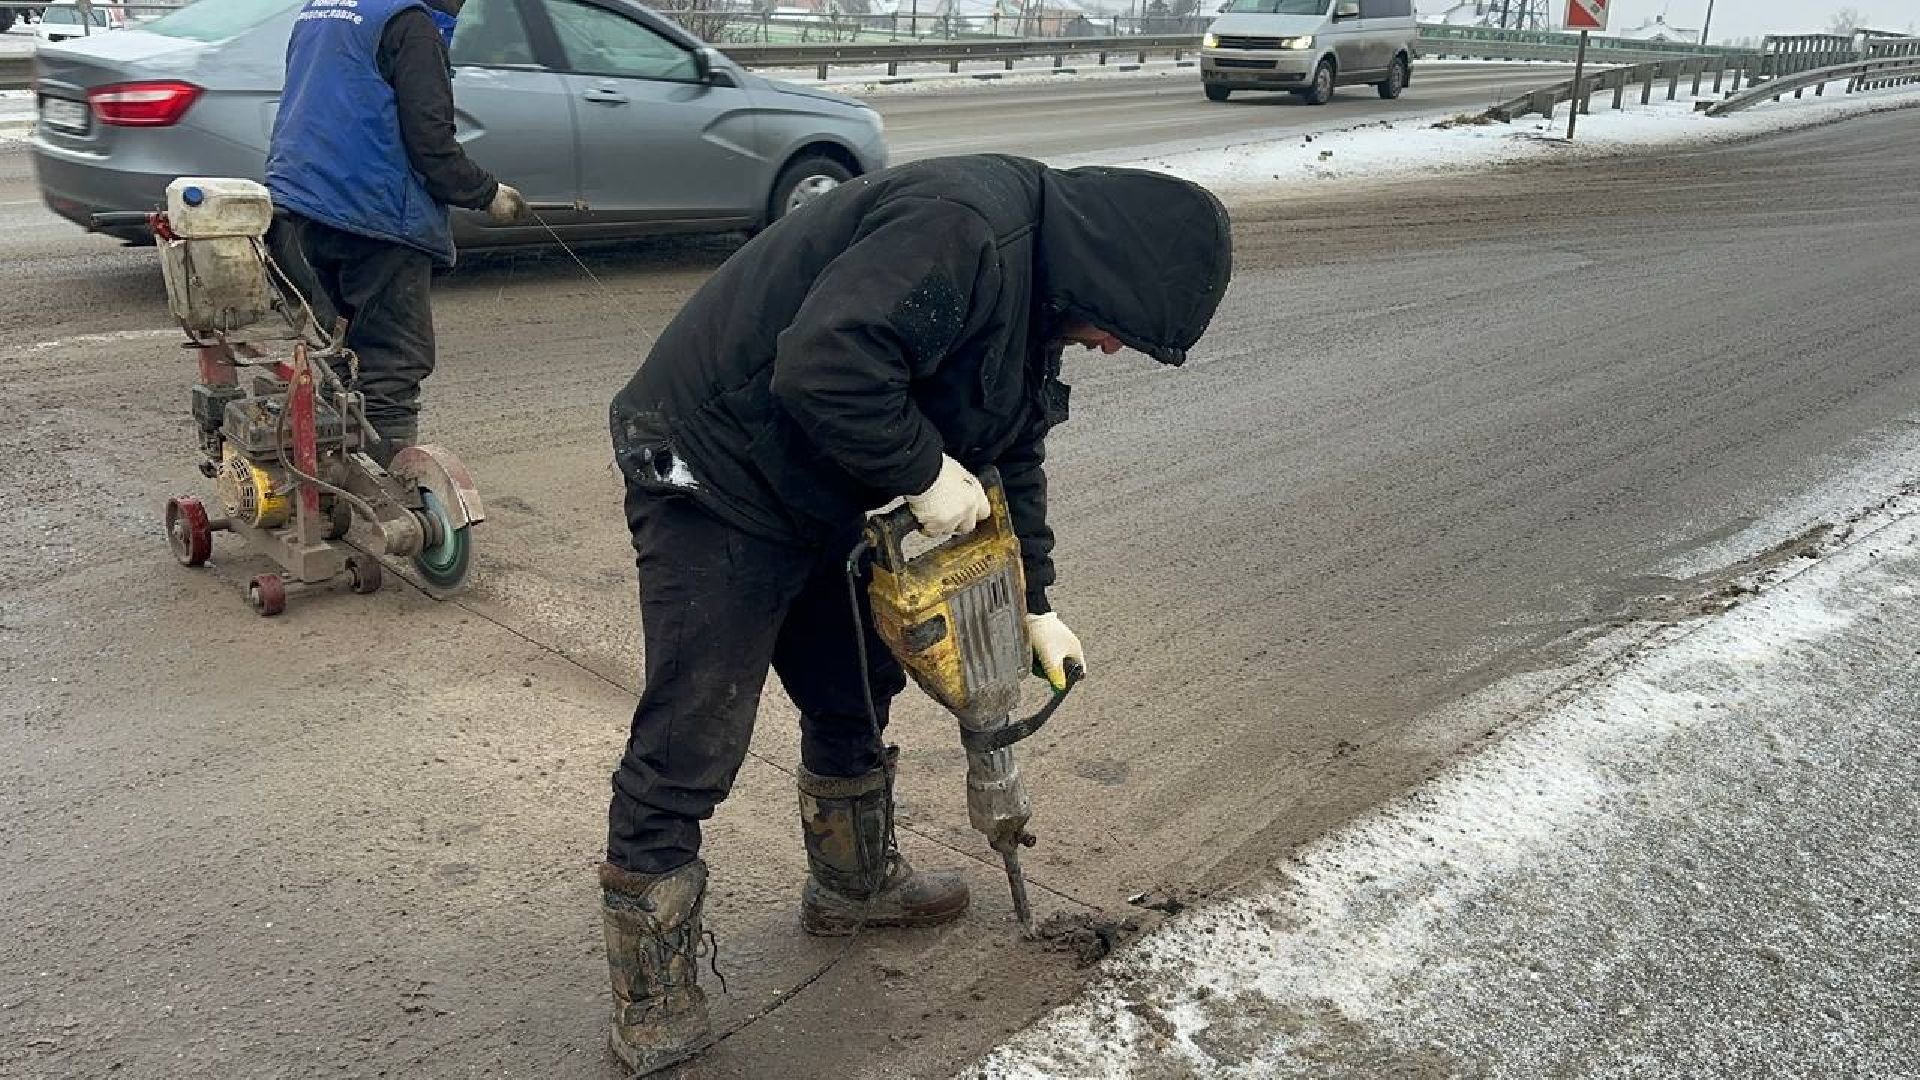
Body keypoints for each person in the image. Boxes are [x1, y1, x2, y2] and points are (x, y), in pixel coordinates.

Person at [598, 153, 1232, 1071]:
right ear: (1111, 271)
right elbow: (822, 363)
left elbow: (1011, 448)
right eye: (1122, 330)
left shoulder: (1040, 289)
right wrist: (925, 472)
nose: (1110, 349)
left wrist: (1033, 603)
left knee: (855, 679)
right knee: (696, 728)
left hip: (822, 480)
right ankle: (651, 992)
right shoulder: (962, 228)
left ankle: (853, 888)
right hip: (714, 466)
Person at [264, 0, 525, 465]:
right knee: (390, 363)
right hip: (371, 214)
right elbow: (432, 148)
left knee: (341, 355)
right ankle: (387, 493)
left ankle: (335, 470)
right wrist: (488, 194)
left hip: (299, 208)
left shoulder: (321, 10)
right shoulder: (410, 24)